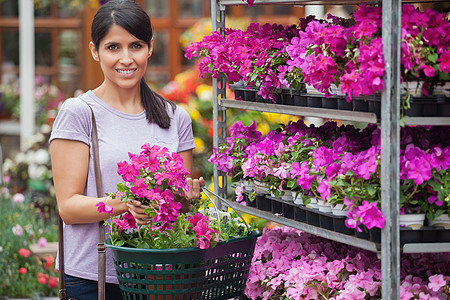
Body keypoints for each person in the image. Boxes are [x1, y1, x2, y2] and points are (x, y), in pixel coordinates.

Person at [49, 0, 205, 298]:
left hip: (159, 274)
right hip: (92, 278)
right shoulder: (80, 112)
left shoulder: (176, 117)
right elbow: (68, 207)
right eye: (113, 47)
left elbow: (177, 204)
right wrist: (125, 205)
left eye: (135, 46)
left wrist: (187, 202)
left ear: (150, 48)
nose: (126, 59)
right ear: (95, 50)